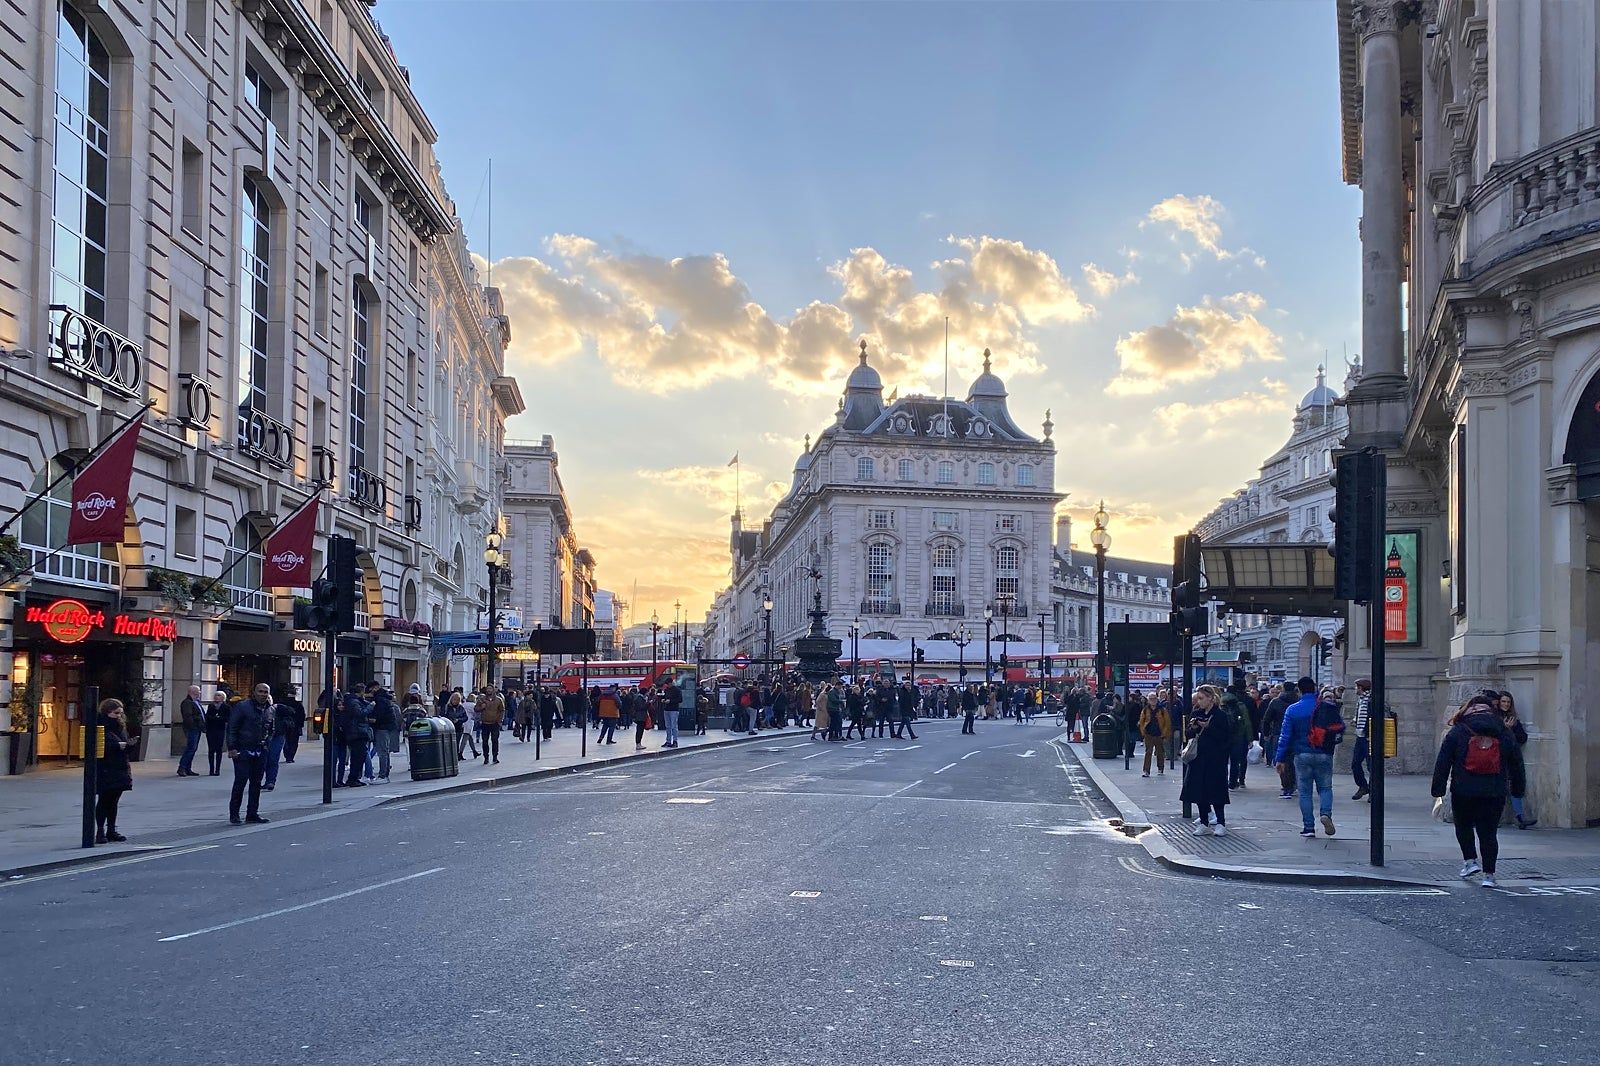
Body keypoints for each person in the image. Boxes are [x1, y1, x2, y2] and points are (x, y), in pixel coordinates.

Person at [1433, 692, 1526, 888]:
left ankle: (1470, 862)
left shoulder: (1459, 730)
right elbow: (1517, 763)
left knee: (1463, 826)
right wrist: (1518, 789)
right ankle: (1489, 875)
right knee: (1489, 833)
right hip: (1494, 790)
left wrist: (1438, 789)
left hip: (1463, 790)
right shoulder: (1503, 731)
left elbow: (1443, 761)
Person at [1275, 678, 1344, 839]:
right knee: (1325, 788)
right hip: (1324, 752)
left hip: (1301, 754)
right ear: (1315, 689)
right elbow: (1339, 728)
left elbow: (1285, 736)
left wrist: (1280, 758)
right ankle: (1325, 814)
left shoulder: (1293, 709)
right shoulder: (1326, 706)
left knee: (1305, 792)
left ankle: (1308, 827)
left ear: (1298, 690)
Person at [1178, 686, 1230, 835]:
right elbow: (1188, 735)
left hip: (1215, 759)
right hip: (1198, 758)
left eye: (1201, 698)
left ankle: (1221, 823)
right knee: (1199, 791)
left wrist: (1208, 727)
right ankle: (1204, 822)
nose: (1199, 702)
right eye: (1198, 698)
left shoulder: (1220, 715)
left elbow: (1225, 737)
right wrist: (1194, 727)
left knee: (1216, 791)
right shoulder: (1196, 713)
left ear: (1210, 699)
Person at [226, 683, 275, 825]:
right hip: (243, 749)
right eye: (260, 691)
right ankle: (234, 814)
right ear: (254, 692)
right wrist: (232, 747)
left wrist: (267, 744)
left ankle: (252, 813)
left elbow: (270, 728)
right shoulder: (242, 707)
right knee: (240, 782)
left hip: (260, 749)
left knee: (256, 783)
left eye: (266, 692)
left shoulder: (270, 709)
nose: (263, 694)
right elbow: (232, 727)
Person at [94, 698, 137, 843]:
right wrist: (118, 746)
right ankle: (100, 831)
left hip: (120, 767)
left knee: (114, 801)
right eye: (116, 713)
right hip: (106, 768)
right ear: (107, 712)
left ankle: (111, 830)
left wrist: (129, 745)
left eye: (121, 713)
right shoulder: (100, 726)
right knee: (104, 800)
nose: (119, 716)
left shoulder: (121, 726)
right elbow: (99, 747)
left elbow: (124, 744)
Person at [1498, 692, 1537, 829]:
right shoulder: (1495, 718)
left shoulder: (1513, 719)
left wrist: (1512, 728)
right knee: (1499, 788)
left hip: (1513, 757)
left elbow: (1522, 737)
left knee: (1517, 786)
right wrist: (1505, 728)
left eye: (1508, 702)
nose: (1506, 704)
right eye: (1503, 701)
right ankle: (1495, 818)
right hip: (1498, 758)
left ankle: (1520, 817)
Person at [1260, 681, 1297, 799]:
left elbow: (1266, 719)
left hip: (1278, 733)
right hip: (1297, 735)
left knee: (1281, 760)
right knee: (1294, 760)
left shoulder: (1276, 702)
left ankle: (1286, 785)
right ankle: (1294, 782)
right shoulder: (1298, 701)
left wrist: (1266, 733)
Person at [339, 686, 373, 788]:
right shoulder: (354, 702)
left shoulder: (354, 701)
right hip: (357, 733)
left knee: (358, 756)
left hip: (357, 732)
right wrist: (370, 706)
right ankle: (353, 779)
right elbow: (360, 713)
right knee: (358, 756)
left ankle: (355, 778)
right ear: (361, 692)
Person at [1222, 682, 1254, 789]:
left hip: (1223, 737)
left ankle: (1223, 781)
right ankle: (1233, 782)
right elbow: (1247, 723)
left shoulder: (1220, 703)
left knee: (1223, 761)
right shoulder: (1240, 705)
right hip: (1238, 736)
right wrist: (1250, 738)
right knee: (1235, 761)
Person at [1350, 678, 1373, 801]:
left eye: (1356, 687)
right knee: (1355, 764)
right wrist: (1355, 720)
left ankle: (1373, 791)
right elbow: (1359, 714)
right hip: (1360, 736)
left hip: (1368, 737)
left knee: (1371, 765)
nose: (1355, 689)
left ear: (1361, 688)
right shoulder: (1360, 699)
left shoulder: (1371, 699)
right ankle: (1363, 786)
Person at [369, 684, 399, 781]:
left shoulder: (379, 700)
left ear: (375, 687)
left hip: (382, 727)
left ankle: (382, 775)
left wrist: (372, 719)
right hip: (388, 727)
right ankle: (385, 773)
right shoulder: (385, 698)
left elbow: (379, 715)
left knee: (382, 752)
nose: (370, 691)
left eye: (371, 689)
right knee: (385, 751)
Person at [176, 684, 204, 776]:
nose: (200, 692)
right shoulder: (187, 702)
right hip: (192, 729)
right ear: (193, 692)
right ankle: (182, 767)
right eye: (198, 691)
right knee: (190, 748)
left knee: (193, 748)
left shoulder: (196, 702)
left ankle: (188, 768)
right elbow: (188, 716)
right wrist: (194, 723)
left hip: (197, 728)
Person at [1139, 696, 1170, 777]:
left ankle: (1160, 768)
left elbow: (1167, 722)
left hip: (1159, 734)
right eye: (1151, 699)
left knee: (1160, 752)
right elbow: (1142, 721)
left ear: (1157, 699)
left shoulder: (1162, 709)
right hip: (1148, 734)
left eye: (1154, 699)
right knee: (1148, 752)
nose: (1153, 700)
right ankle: (1146, 770)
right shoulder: (1145, 709)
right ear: (1148, 700)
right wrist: (1143, 732)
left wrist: (1164, 733)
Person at [203, 690, 229, 776]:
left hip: (220, 730)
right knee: (211, 750)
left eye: (218, 695)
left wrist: (217, 718)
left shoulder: (226, 707)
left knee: (219, 750)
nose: (216, 697)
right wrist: (215, 718)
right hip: (211, 730)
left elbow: (227, 718)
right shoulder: (211, 706)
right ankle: (211, 769)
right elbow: (208, 717)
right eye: (215, 695)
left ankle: (217, 769)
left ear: (223, 697)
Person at [477, 686, 505, 764]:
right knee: (485, 741)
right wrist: (481, 707)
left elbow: (502, 710)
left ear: (493, 690)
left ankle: (495, 757)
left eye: (490, 689)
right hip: (485, 723)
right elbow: (476, 709)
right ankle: (486, 757)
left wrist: (499, 721)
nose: (489, 690)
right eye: (488, 689)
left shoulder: (498, 700)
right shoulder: (482, 699)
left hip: (495, 723)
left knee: (495, 740)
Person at [279, 684, 306, 764]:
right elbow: (302, 716)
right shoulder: (298, 704)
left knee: (286, 741)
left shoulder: (282, 703)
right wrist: (300, 725)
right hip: (295, 726)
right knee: (294, 742)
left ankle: (287, 755)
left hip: (285, 725)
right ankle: (290, 757)